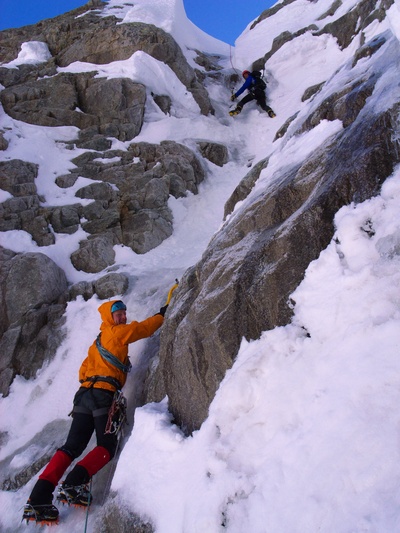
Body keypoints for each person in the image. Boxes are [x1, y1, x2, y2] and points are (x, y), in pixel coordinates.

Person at [23, 298, 167, 524]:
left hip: (83, 395)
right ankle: (74, 483)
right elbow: (143, 329)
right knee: (107, 446)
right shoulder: (116, 333)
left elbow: (83, 371)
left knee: (72, 447)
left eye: (123, 313)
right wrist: (162, 314)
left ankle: (39, 498)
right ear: (110, 317)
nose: (123, 316)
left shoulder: (97, 342)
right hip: (102, 395)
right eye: (118, 314)